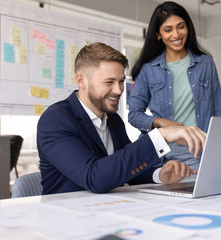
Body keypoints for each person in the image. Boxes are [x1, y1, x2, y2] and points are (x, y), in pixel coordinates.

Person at [37, 42, 207, 195]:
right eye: (109, 82)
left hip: (107, 209)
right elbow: (95, 178)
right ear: (81, 81)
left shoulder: (113, 120)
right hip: (66, 217)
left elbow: (126, 169)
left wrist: (160, 174)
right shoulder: (55, 120)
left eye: (121, 81)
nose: (119, 90)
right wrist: (160, 136)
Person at [129, 1, 221, 170]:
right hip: (159, 150)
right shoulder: (148, 70)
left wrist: (220, 148)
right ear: (158, 34)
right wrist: (163, 122)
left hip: (195, 150)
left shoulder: (205, 63)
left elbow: (218, 112)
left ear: (188, 27)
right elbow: (134, 115)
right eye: (168, 30)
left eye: (181, 27)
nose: (176, 34)